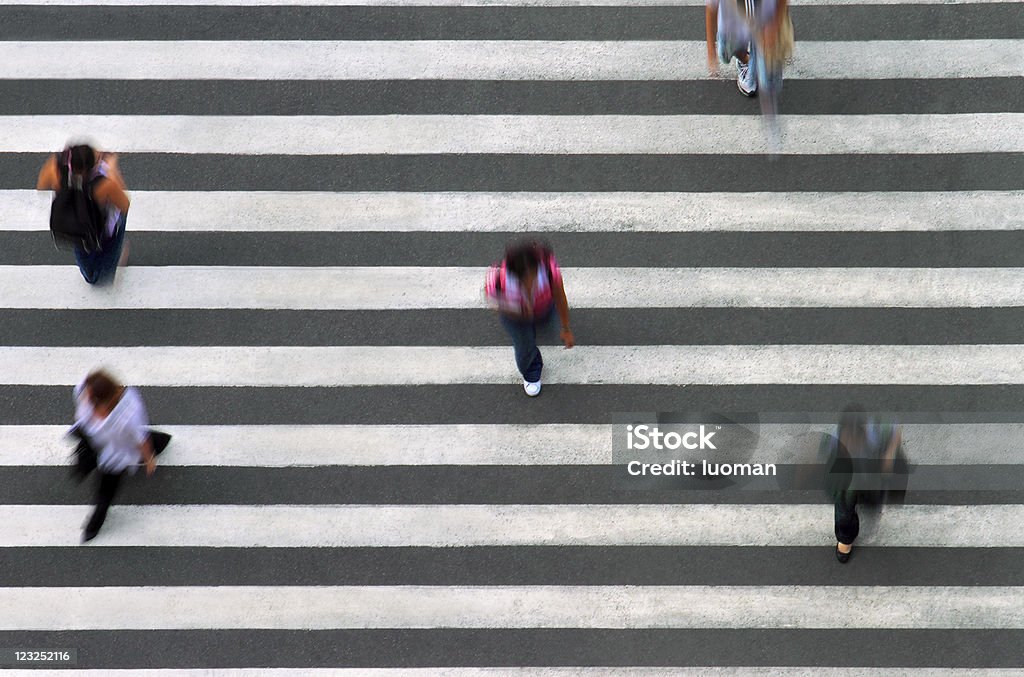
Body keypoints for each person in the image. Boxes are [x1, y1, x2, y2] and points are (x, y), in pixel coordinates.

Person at [72, 370, 155, 542]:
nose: (86, 398)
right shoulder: (84, 388)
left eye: (91, 398)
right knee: (83, 464)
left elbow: (140, 439)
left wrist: (149, 459)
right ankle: (162, 442)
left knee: (106, 491)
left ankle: (94, 526)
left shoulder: (129, 413)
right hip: (93, 440)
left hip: (116, 452)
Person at [485, 241, 574, 397]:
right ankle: (531, 372)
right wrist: (515, 309)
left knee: (546, 326)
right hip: (514, 318)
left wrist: (565, 328)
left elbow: (560, 298)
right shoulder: (498, 280)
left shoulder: (548, 271)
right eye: (524, 279)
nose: (530, 282)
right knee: (524, 347)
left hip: (544, 309)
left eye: (532, 275)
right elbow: (493, 301)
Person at [37, 144, 130, 285]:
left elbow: (41, 185)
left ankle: (90, 275)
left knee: (83, 251)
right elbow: (124, 205)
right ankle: (105, 273)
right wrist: (112, 170)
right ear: (92, 166)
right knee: (110, 248)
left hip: (75, 224)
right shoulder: (103, 184)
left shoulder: (55, 168)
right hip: (102, 230)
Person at [821, 406, 903, 564]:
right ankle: (845, 539)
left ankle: (868, 501)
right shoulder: (832, 437)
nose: (851, 443)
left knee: (872, 500)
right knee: (844, 511)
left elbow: (896, 432)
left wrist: (889, 454)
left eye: (855, 438)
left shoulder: (878, 431)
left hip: (872, 476)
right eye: (846, 439)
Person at [705, 0, 789, 102]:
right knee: (725, 54)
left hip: (765, 24)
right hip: (732, 27)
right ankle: (745, 60)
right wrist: (711, 49)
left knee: (769, 83)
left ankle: (762, 62)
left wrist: (775, 26)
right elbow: (711, 8)